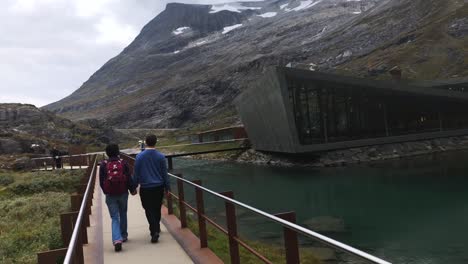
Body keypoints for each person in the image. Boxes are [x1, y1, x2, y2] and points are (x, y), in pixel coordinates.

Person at [99, 144, 137, 252]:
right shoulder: (123, 163)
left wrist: (106, 192)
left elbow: (101, 182)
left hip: (110, 195)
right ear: (118, 152)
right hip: (123, 193)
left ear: (107, 153)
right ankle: (124, 235)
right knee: (123, 213)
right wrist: (132, 189)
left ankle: (117, 240)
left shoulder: (103, 164)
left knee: (115, 217)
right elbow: (129, 178)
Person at [133, 134, 170, 243]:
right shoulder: (161, 156)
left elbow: (136, 174)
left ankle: (154, 231)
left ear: (146, 142)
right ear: (155, 142)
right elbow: (165, 174)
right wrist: (168, 188)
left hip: (146, 187)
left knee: (148, 209)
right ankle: (156, 228)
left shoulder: (139, 157)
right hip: (159, 187)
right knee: (157, 208)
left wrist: (134, 186)